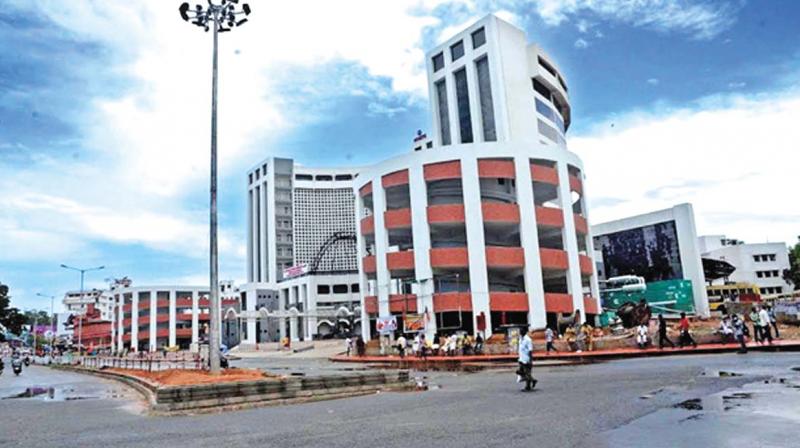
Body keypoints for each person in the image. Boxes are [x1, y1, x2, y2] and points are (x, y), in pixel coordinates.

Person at [516, 327, 537, 392]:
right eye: (520, 331)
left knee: (527, 373)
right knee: (519, 372)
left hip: (526, 359)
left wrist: (530, 360)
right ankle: (533, 380)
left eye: (522, 330)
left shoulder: (528, 340)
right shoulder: (520, 339)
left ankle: (528, 386)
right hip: (521, 358)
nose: (520, 332)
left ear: (525, 331)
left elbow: (530, 351)